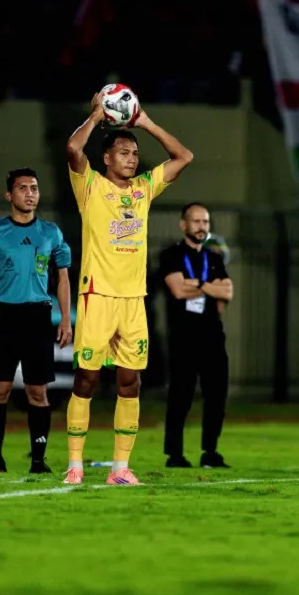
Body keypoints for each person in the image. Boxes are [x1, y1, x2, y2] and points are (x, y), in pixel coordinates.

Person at [63, 89, 194, 486]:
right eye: (123, 151)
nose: (131, 157)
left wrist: (144, 122)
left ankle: (120, 469)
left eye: (134, 152)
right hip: (97, 296)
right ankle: (75, 465)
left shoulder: (144, 189)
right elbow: (72, 148)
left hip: (133, 301)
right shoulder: (90, 187)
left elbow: (184, 157)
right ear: (107, 158)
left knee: (130, 382)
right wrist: (95, 117)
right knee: (86, 380)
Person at [0, 167, 73, 474]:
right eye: (24, 188)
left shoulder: (50, 233)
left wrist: (65, 318)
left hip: (39, 317)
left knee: (37, 392)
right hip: (4, 316)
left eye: (35, 188)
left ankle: (39, 461)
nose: (30, 193)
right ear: (9, 195)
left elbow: (63, 279)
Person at [159, 202, 233, 469]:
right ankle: (175, 454)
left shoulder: (214, 259)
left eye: (205, 222)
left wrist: (197, 284)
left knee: (217, 395)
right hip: (183, 337)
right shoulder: (171, 255)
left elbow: (227, 292)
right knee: (181, 395)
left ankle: (210, 452)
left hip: (213, 336)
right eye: (196, 221)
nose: (202, 227)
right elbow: (177, 291)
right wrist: (209, 286)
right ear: (183, 224)